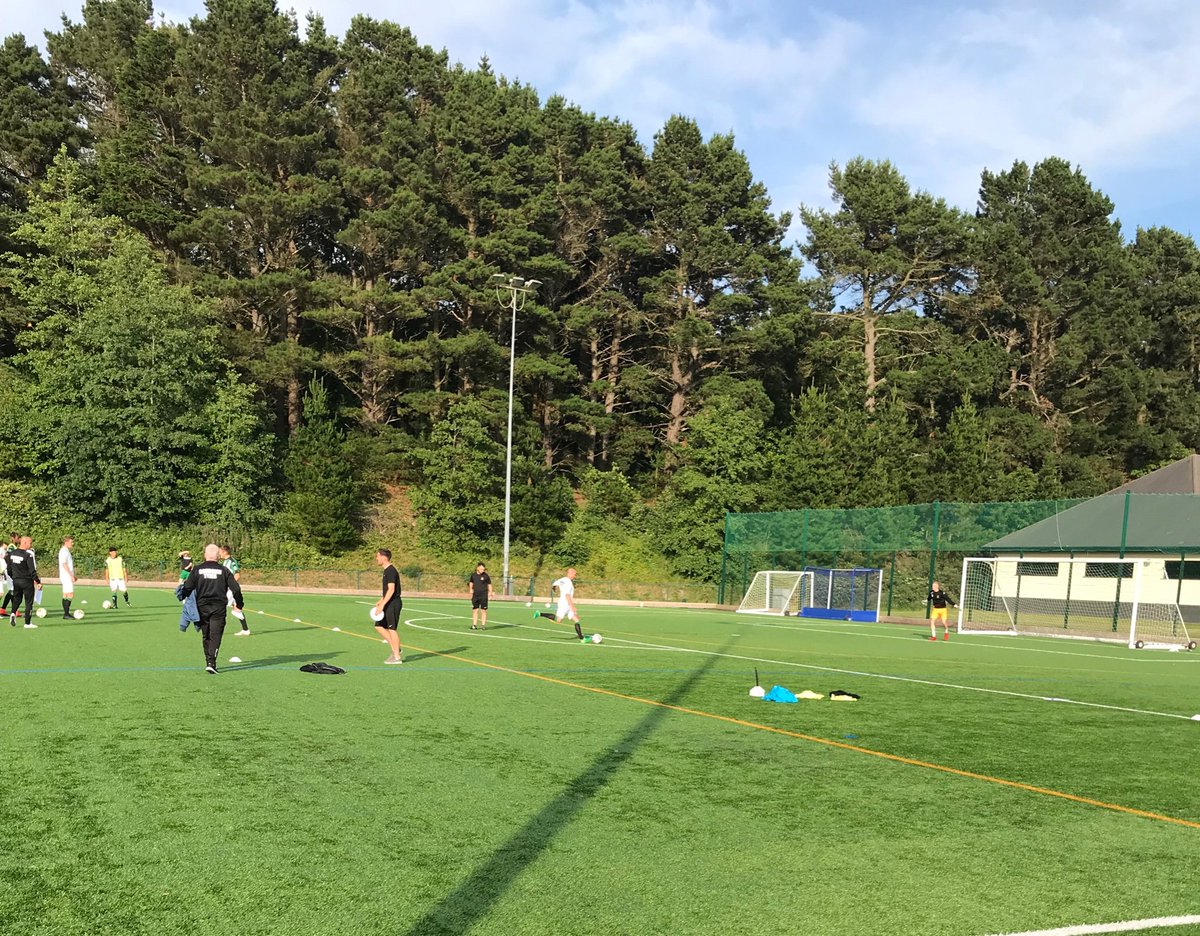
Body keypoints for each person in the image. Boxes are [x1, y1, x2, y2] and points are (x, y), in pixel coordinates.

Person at [179, 543, 244, 674]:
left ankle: (208, 661)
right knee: (215, 635)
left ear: (205, 555)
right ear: (218, 557)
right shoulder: (224, 571)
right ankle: (211, 662)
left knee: (206, 634)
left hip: (202, 606)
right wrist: (240, 604)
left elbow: (187, 588)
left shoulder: (197, 569)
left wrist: (183, 595)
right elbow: (236, 588)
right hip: (218, 607)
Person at [534, 567, 584, 641]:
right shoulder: (568, 583)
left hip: (566, 602)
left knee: (576, 619)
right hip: (565, 603)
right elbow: (567, 595)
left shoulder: (562, 579)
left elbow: (554, 584)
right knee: (558, 620)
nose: (575, 576)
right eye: (574, 574)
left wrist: (554, 588)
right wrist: (572, 606)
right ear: (570, 573)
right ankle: (540, 614)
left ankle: (582, 638)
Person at [373, 548, 403, 665]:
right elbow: (387, 591)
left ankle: (396, 657)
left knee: (392, 629)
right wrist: (381, 601)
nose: (376, 558)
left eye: (378, 556)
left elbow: (392, 589)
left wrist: (383, 605)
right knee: (378, 626)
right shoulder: (386, 570)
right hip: (388, 602)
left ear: (384, 557)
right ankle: (396, 647)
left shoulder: (391, 570)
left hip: (393, 603)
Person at [6, 536, 41, 629]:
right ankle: (27, 623)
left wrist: (13, 576)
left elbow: (8, 568)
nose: (31, 545)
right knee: (28, 602)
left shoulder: (12, 553)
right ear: (24, 543)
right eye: (30, 543)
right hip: (27, 581)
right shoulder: (28, 555)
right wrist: (38, 581)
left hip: (16, 580)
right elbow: (32, 570)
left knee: (17, 598)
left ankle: (13, 613)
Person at [218, 545, 248, 636]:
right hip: (230, 588)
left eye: (220, 552)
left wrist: (231, 586)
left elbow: (237, 574)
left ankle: (217, 629)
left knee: (220, 606)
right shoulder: (226, 562)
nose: (219, 554)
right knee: (236, 610)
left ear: (224, 552)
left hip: (231, 589)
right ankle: (246, 630)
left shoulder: (231, 561)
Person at [176, 551, 199, 633]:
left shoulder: (190, 558)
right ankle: (179, 592)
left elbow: (191, 564)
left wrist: (190, 566)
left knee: (189, 585)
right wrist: (185, 552)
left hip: (189, 572)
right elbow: (179, 554)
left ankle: (184, 595)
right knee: (180, 582)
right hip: (184, 572)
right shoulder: (183, 557)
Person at [468, 562, 493, 630]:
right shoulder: (473, 575)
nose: (483, 570)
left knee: (483, 610)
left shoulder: (486, 576)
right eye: (481, 569)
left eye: (483, 569)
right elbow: (471, 582)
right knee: (475, 609)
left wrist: (490, 593)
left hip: (484, 595)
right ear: (477, 568)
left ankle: (483, 625)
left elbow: (489, 584)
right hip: (475, 595)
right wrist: (470, 589)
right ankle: (474, 625)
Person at [58, 535, 76, 620]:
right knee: (70, 594)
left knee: (66, 594)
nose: (73, 543)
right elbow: (64, 564)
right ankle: (66, 613)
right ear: (66, 542)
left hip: (66, 576)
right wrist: (71, 575)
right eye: (71, 542)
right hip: (66, 576)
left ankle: (66, 613)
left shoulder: (65, 551)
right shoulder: (64, 551)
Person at [0, 532, 18, 616]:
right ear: (13, 538)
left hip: (10, 569)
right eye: (18, 537)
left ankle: (5, 609)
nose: (19, 539)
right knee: (12, 589)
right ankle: (11, 610)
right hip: (10, 570)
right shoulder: (11, 546)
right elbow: (9, 557)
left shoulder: (13, 546)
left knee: (12, 589)